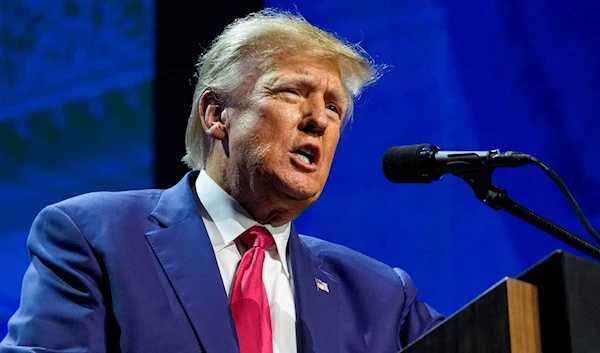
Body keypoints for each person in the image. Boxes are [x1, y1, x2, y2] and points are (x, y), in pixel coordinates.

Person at [0, 9, 442, 353]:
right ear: (216, 114)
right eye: (292, 92)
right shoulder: (95, 237)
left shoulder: (380, 296)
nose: (318, 121)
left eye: (334, 108)